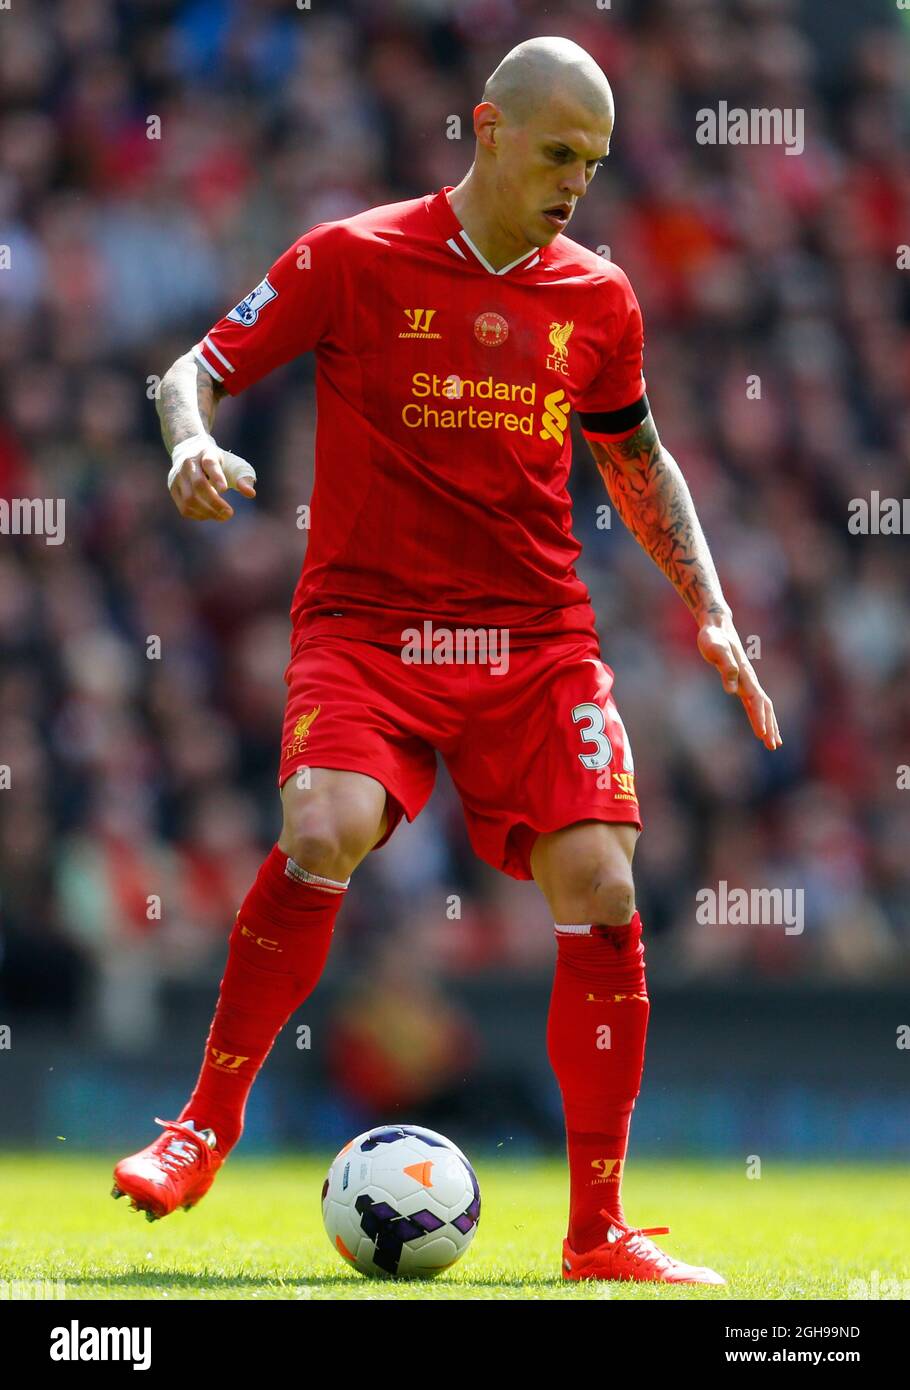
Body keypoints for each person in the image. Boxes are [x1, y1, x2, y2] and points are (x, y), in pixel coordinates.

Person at [112, 36, 780, 1285]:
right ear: (487, 128)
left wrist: (713, 611)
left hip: (534, 644)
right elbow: (188, 370)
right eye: (557, 151)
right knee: (324, 827)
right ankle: (201, 1126)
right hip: (368, 629)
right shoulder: (353, 258)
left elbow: (637, 461)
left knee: (602, 884)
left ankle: (597, 1232)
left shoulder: (599, 297)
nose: (577, 179)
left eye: (593, 159)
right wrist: (188, 446)